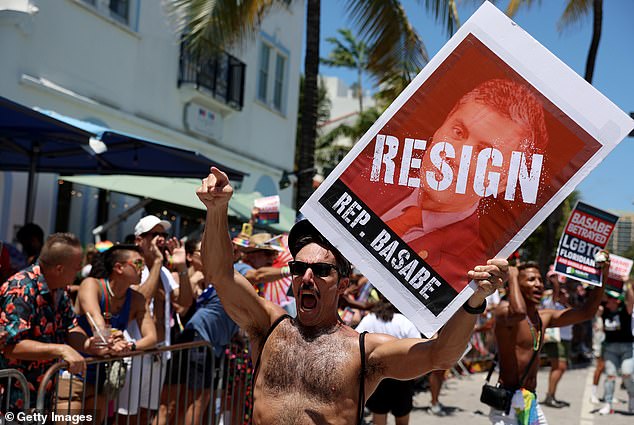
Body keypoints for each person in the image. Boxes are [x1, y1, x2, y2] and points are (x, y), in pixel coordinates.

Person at [195, 167, 508, 424]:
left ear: (342, 284)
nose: (306, 277)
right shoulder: (267, 327)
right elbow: (221, 274)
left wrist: (474, 300)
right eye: (298, 268)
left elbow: (440, 355)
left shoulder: (363, 352)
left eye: (320, 270)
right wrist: (217, 209)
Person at [377, 78, 549, 291]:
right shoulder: (366, 175)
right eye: (458, 132)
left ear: (503, 181)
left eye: (485, 154)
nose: (455, 157)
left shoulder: (471, 265)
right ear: (440, 127)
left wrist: (473, 302)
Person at [0, 233, 115, 410]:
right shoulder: (21, 288)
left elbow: (70, 326)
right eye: (77, 267)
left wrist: (88, 344)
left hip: (42, 398)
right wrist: (60, 349)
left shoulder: (61, 288)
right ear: (59, 269)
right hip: (10, 400)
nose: (80, 271)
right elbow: (9, 346)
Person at [491, 260, 606, 424]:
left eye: (540, 280)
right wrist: (513, 276)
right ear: (515, 284)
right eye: (531, 280)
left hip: (530, 400)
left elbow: (587, 312)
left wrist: (602, 275)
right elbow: (518, 313)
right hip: (506, 404)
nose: (538, 285)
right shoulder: (503, 313)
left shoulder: (544, 317)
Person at [56, 244, 156, 423]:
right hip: (73, 371)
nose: (144, 269)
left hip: (102, 377)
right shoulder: (91, 284)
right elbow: (97, 322)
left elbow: (151, 338)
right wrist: (113, 341)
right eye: (139, 264)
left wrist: (129, 345)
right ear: (119, 267)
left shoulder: (137, 299)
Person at [116, 215, 193, 421]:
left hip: (158, 352)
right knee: (126, 415)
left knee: (146, 414)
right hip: (135, 351)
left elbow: (184, 302)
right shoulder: (133, 270)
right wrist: (158, 262)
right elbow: (137, 303)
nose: (160, 238)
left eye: (163, 234)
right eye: (154, 234)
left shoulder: (165, 273)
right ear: (138, 240)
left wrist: (182, 267)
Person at [355, 294, 420, 425]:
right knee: (402, 417)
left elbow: (356, 341)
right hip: (402, 376)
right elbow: (417, 348)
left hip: (376, 375)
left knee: (379, 415)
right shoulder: (404, 321)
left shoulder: (370, 319)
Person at [597, 281, 634, 415]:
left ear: (617, 301)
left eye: (610, 298)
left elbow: (631, 300)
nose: (607, 301)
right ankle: (608, 403)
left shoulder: (625, 310)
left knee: (627, 374)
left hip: (627, 347)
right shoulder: (604, 310)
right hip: (610, 348)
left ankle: (632, 396)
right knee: (610, 376)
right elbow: (596, 304)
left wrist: (627, 284)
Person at [541, 281, 573, 408]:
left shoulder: (565, 306)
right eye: (563, 293)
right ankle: (550, 395)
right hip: (557, 340)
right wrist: (555, 283)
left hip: (566, 340)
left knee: (560, 368)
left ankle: (551, 395)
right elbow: (555, 292)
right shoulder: (552, 304)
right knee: (559, 367)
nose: (566, 295)